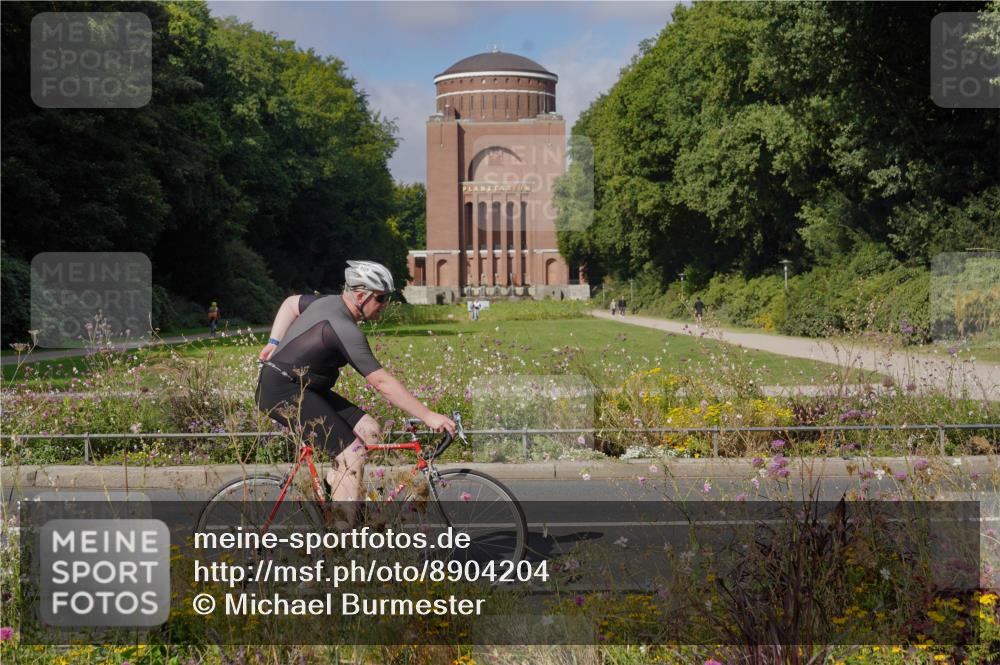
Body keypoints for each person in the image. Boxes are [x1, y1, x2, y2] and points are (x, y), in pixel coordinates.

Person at [255, 260, 456, 524]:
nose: (385, 305)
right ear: (360, 296)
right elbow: (382, 383)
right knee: (352, 453)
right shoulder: (345, 330)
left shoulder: (328, 303)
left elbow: (291, 303)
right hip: (281, 390)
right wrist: (429, 415)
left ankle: (336, 489)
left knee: (370, 431)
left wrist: (273, 342)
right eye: (381, 298)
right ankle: (343, 544)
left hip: (305, 387)